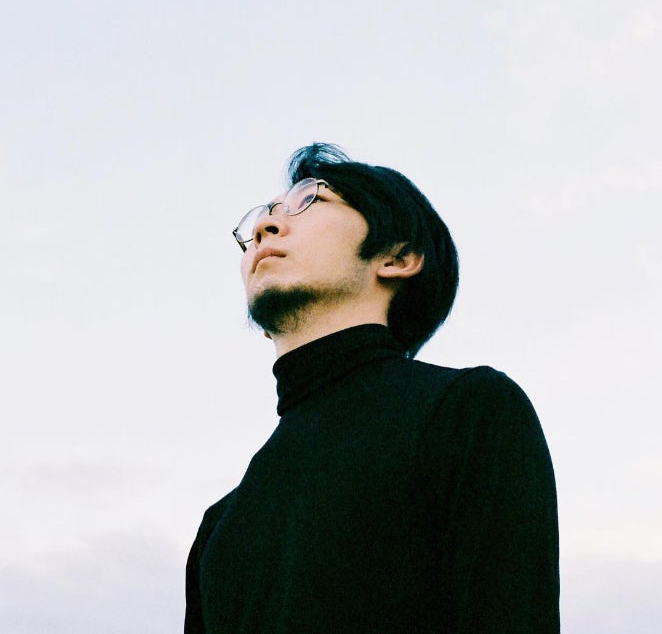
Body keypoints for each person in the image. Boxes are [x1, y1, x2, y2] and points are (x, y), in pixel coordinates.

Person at [185, 143, 559, 633]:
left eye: (309, 199)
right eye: (262, 216)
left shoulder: (469, 413)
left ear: (398, 257)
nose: (264, 227)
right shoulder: (220, 527)